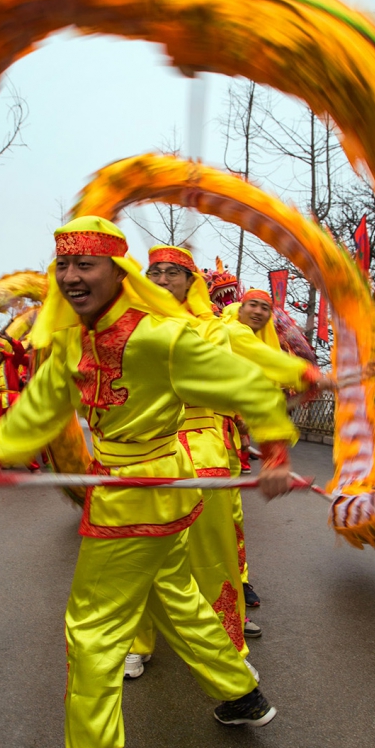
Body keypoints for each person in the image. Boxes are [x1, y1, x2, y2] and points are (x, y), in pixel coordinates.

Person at [0, 216, 299, 748]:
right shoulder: (71, 340)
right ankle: (242, 696)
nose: (71, 277)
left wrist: (277, 452)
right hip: (156, 496)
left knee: (92, 624)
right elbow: (40, 406)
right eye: (63, 265)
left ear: (118, 271)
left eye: (84, 265)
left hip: (136, 499)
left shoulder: (163, 337)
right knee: (178, 599)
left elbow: (250, 386)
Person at [124, 245, 254, 679]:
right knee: (136, 552)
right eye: (154, 272)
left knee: (212, 553)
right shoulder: (122, 326)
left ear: (190, 282)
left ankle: (227, 648)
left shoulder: (213, 329)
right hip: (140, 452)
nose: (161, 280)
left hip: (203, 450)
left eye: (172, 273)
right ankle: (135, 642)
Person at [221, 288, 329, 619]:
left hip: (218, 448)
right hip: (168, 447)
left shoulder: (255, 345)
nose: (257, 311)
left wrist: (274, 457)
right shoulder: (221, 330)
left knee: (227, 525)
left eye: (264, 307)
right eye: (251, 304)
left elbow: (263, 396)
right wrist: (308, 374)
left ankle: (233, 602)